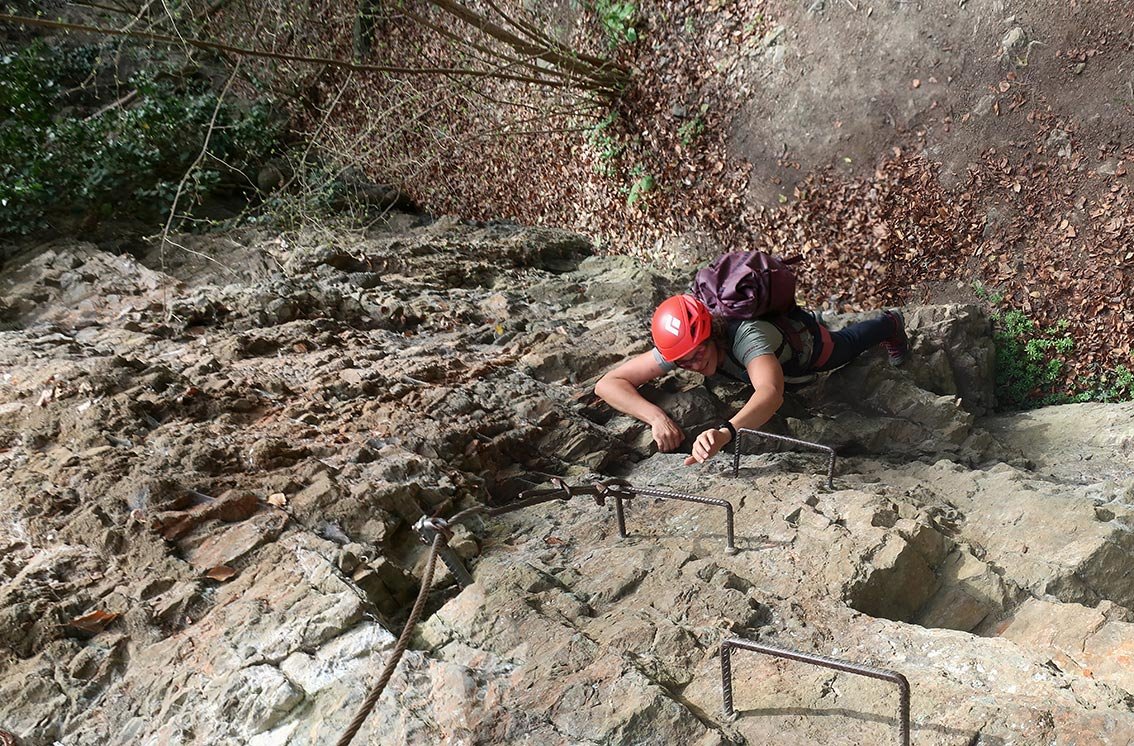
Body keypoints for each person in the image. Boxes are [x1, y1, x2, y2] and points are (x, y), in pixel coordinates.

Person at [594, 294, 909, 466]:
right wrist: (656, 418)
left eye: (698, 353)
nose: (693, 364)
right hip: (764, 357)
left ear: (710, 333)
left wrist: (726, 433)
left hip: (806, 351)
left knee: (846, 346)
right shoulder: (683, 344)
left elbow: (770, 393)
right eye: (683, 362)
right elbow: (608, 384)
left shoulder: (747, 336)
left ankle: (890, 323)